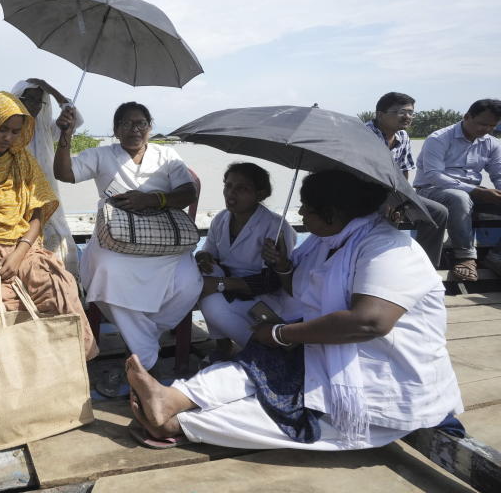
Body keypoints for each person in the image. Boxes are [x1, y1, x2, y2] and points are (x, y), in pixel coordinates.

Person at [127, 170, 463, 452]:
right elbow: (295, 288)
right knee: (251, 367)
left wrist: (280, 334)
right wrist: (284, 266)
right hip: (325, 354)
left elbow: (370, 322)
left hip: (382, 384)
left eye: (308, 209)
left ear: (332, 213)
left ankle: (178, 421)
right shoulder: (326, 240)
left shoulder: (390, 249)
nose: (301, 215)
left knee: (276, 416)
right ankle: (173, 397)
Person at [0, 91, 97, 392]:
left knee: (59, 284)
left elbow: (38, 214)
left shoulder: (24, 161)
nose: (8, 138)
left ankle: (63, 378)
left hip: (20, 250)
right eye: (2, 129)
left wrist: (19, 254)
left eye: (15, 131)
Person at [54, 101, 201, 394]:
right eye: (125, 124)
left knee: (190, 282)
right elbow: (64, 173)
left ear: (150, 126)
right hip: (115, 240)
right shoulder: (102, 155)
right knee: (106, 272)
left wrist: (152, 200)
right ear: (115, 130)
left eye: (140, 124)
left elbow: (188, 191)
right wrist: (66, 135)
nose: (134, 130)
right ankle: (146, 358)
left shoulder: (167, 155)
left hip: (163, 240)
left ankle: (141, 343)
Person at [195, 163, 297, 359]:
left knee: (211, 304)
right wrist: (203, 258)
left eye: (242, 189)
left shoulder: (275, 227)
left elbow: (272, 282)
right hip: (230, 289)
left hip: (263, 299)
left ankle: (257, 351)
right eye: (228, 185)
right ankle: (227, 346)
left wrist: (219, 284)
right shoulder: (221, 219)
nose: (231, 194)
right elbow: (209, 252)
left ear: (260, 194)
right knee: (197, 277)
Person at [414, 99, 501, 281]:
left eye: (492, 126)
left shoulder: (492, 143)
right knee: (459, 197)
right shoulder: (439, 138)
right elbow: (434, 175)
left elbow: (498, 174)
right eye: (482, 123)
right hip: (432, 190)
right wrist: (475, 191)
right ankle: (465, 257)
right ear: (467, 116)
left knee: (464, 196)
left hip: (472, 191)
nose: (485, 129)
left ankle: (496, 256)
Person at [364, 92, 448, 266]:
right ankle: (380, 264)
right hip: (365, 189)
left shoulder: (402, 136)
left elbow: (403, 170)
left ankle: (425, 267)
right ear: (381, 114)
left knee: (438, 212)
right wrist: (390, 199)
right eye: (401, 112)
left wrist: (404, 198)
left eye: (411, 112)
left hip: (393, 191)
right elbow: (360, 173)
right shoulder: (365, 134)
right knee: (385, 212)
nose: (408, 117)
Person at [10, 78, 84, 277]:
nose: (33, 105)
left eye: (38, 100)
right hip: (16, 200)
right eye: (29, 99)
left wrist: (51, 90)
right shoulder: (8, 130)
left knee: (57, 245)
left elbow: (76, 119)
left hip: (46, 198)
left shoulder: (44, 128)